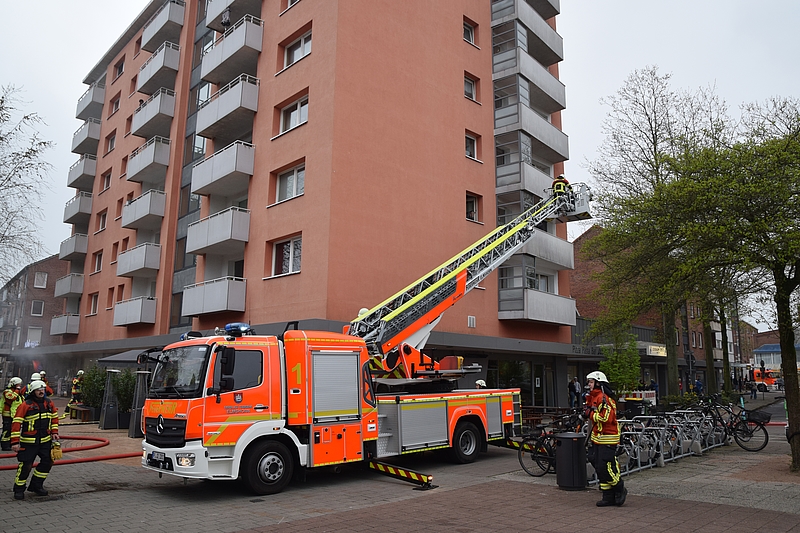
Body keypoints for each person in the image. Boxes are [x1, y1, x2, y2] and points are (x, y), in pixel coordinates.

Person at [11, 380, 59, 499]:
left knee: (48, 462)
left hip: (45, 441)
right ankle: (19, 489)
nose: (41, 391)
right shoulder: (25, 405)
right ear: (33, 391)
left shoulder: (49, 403)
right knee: (26, 466)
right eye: (38, 390)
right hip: (29, 443)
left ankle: (36, 485)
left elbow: (54, 418)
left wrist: (54, 432)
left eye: (42, 389)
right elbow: (16, 423)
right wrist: (15, 442)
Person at [584, 370, 626, 507]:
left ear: (598, 383)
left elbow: (606, 418)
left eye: (591, 382)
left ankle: (619, 487)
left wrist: (590, 414)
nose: (589, 385)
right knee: (597, 465)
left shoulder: (604, 399)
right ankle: (608, 496)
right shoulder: (594, 397)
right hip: (598, 437)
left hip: (608, 437)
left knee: (604, 466)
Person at [1, 377, 24, 451]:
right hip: (7, 414)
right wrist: (17, 390)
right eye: (18, 384)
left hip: (14, 414)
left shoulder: (17, 392)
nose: (20, 386)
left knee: (12, 429)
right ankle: (4, 445)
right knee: (7, 430)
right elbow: (12, 397)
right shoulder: (7, 392)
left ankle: (10, 443)